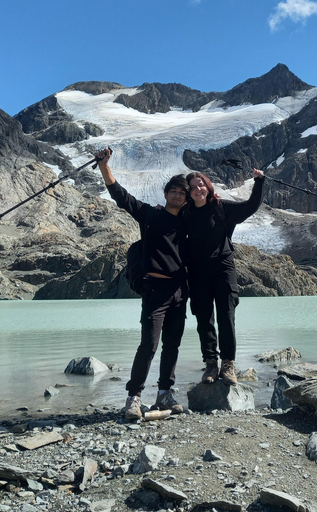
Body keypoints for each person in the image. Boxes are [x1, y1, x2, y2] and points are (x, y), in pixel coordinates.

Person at [96, 148, 189, 420]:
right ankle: (134, 397)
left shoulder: (188, 223)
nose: (177, 195)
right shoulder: (151, 216)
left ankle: (164, 394)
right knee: (148, 346)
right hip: (155, 291)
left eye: (181, 193)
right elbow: (121, 197)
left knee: (172, 345)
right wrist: (104, 167)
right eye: (173, 191)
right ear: (166, 194)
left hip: (180, 292)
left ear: (185, 199)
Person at [185, 168, 265, 385]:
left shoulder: (221, 208)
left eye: (200, 184)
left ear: (207, 186)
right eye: (192, 187)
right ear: (188, 192)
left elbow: (250, 207)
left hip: (223, 269)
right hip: (197, 273)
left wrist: (259, 182)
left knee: (226, 317)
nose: (197, 189)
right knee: (204, 320)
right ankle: (211, 364)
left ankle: (228, 365)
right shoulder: (185, 213)